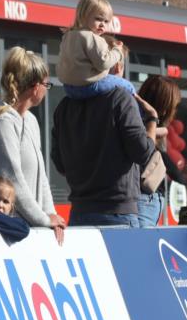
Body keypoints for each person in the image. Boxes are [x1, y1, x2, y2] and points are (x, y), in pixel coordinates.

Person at [0, 47, 66, 244]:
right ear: (35, 87)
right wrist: (43, 218)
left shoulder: (30, 120)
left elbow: (41, 176)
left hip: (26, 229)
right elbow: (11, 177)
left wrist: (50, 214)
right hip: (2, 232)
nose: (46, 90)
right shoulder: (1, 121)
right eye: (46, 85)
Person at [50, 73, 156, 228]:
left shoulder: (64, 107)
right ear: (117, 66)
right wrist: (152, 120)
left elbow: (60, 164)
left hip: (80, 213)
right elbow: (143, 153)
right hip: (117, 213)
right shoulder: (121, 98)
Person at [56, 0, 134, 100]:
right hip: (89, 87)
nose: (102, 24)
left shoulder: (68, 36)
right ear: (83, 16)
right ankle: (142, 114)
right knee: (128, 86)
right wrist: (117, 51)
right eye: (98, 19)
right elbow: (104, 63)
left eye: (106, 21)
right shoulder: (93, 37)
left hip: (69, 88)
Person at [135, 74, 184, 227]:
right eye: (173, 107)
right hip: (143, 203)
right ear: (164, 108)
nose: (174, 113)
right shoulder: (142, 128)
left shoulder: (134, 122)